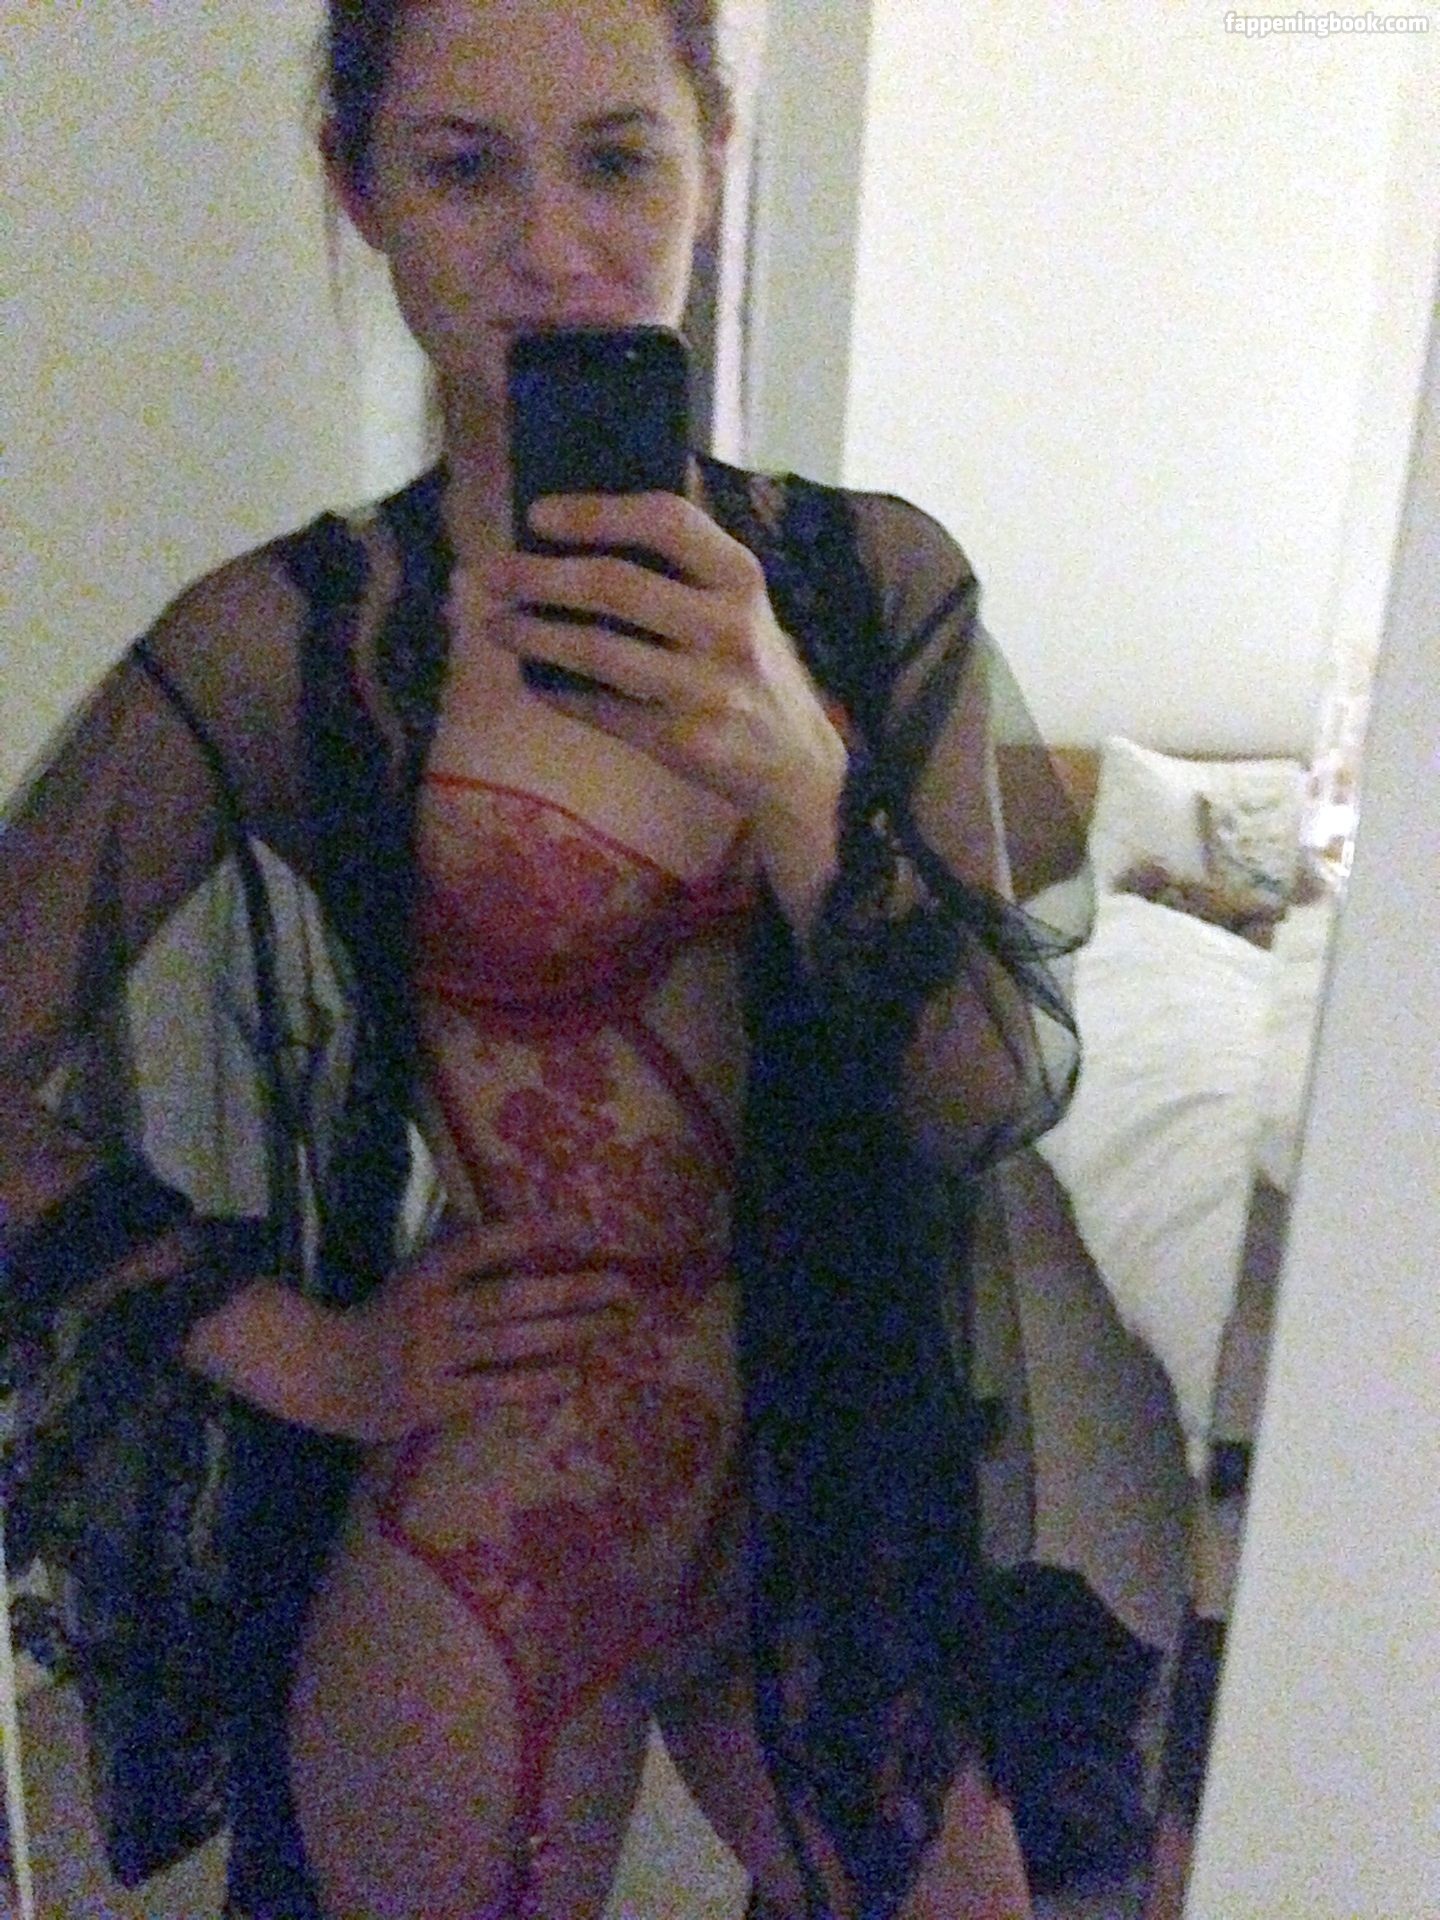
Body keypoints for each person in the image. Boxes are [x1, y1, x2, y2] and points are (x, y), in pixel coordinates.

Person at [0, 3, 1088, 1916]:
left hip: (820, 1479)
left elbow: (987, 1089)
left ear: (711, 161)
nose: (553, 246)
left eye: (616, 156)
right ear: (357, 190)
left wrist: (795, 762)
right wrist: (305, 1353)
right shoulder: (298, 644)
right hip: (493, 1508)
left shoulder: (871, 588)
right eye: (461, 167)